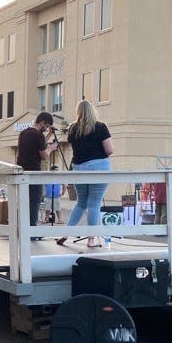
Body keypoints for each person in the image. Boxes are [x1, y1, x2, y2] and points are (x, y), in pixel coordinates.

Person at [59, 100, 113, 247]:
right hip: (99, 167)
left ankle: (66, 233)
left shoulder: (72, 128)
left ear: (79, 112)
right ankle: (91, 239)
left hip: (79, 168)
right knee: (94, 204)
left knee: (81, 203)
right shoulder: (100, 127)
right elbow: (109, 150)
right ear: (92, 111)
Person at [16, 112, 57, 235]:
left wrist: (49, 134)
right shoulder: (38, 135)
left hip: (22, 171)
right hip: (33, 172)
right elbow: (44, 156)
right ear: (43, 123)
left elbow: (38, 144)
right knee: (34, 202)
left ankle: (21, 229)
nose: (46, 129)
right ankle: (32, 231)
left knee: (24, 201)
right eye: (47, 126)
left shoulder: (24, 133)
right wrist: (51, 148)